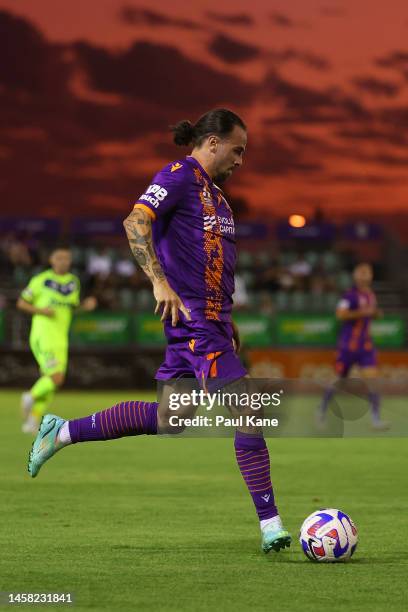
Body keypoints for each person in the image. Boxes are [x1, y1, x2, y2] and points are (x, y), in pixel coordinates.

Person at [27, 108, 291, 554]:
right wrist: (158, 280)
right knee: (249, 410)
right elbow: (135, 221)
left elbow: (213, 264)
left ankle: (63, 431)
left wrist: (229, 321)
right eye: (237, 149)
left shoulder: (219, 199)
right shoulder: (179, 176)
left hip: (210, 324)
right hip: (194, 324)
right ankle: (271, 526)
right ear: (212, 142)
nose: (241, 160)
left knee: (172, 420)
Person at [17, 246, 97, 433]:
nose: (63, 261)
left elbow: (70, 308)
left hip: (61, 337)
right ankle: (29, 396)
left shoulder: (73, 282)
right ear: (52, 260)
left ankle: (32, 421)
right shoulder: (41, 280)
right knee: (56, 377)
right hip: (44, 333)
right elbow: (21, 303)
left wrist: (85, 306)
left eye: (67, 258)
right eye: (59, 258)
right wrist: (41, 311)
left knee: (52, 380)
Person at [317, 262, 389, 430]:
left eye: (367, 272)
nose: (364, 275)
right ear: (355, 276)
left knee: (373, 382)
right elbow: (340, 314)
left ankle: (375, 420)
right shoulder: (349, 296)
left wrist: (376, 314)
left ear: (371, 276)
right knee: (336, 381)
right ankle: (321, 411)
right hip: (348, 346)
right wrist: (363, 312)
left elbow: (372, 315)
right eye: (361, 272)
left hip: (366, 347)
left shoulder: (371, 295)